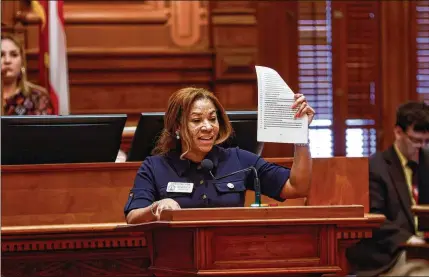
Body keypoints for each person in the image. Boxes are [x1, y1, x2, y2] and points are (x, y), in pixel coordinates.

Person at [124, 87, 315, 224]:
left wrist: (301, 135)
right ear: (177, 127)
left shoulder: (239, 160)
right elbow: (133, 217)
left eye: (213, 119)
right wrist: (156, 207)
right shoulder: (155, 166)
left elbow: (297, 187)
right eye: (196, 120)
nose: (208, 127)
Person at [346, 101, 429, 276]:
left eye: (426, 141)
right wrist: (409, 240)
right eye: (416, 140)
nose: (421, 147)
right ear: (398, 132)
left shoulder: (427, 159)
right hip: (392, 254)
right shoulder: (376, 166)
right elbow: (375, 219)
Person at [1, 34, 53, 115]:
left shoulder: (38, 97)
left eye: (14, 55)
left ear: (22, 62)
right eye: (1, 55)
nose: (7, 61)